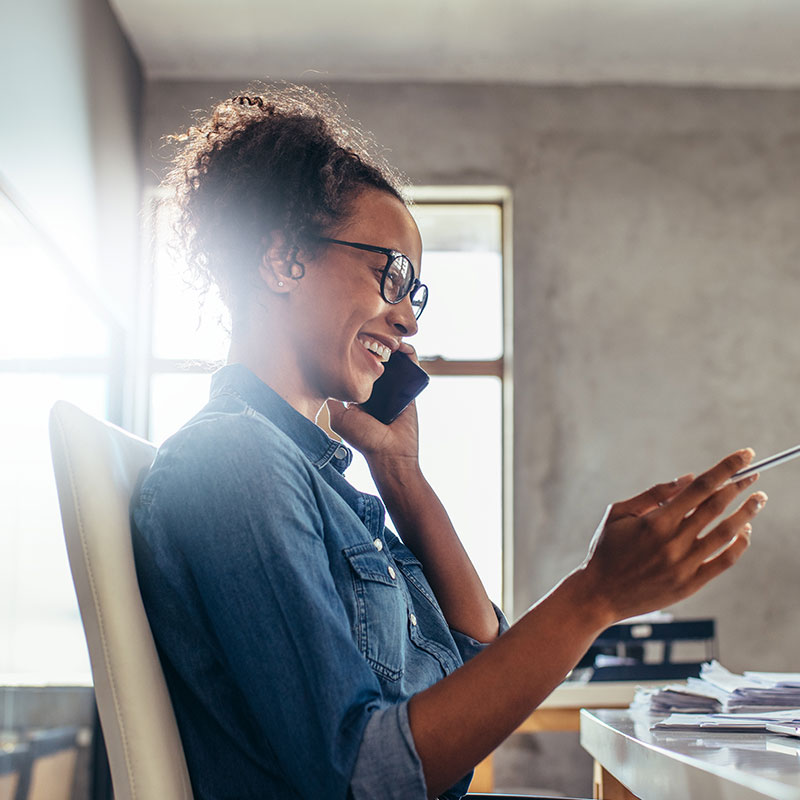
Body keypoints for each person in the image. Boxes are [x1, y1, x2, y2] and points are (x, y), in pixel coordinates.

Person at [131, 86, 767, 800]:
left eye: (416, 294)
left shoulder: (319, 481)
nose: (406, 320)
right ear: (281, 260)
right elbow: (359, 777)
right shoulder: (234, 465)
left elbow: (479, 667)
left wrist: (402, 476)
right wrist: (595, 596)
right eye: (390, 276)